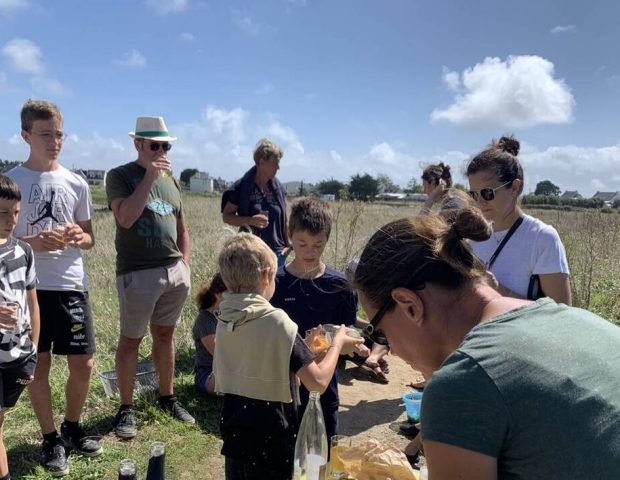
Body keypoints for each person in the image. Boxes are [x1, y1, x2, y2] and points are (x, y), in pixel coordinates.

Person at [352, 209, 620, 479]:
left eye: (382, 335)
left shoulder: (463, 384)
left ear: (409, 305)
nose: (393, 351)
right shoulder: (583, 321)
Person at [214, 233, 363, 479]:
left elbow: (262, 365)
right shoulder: (277, 321)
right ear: (265, 276)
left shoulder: (225, 318)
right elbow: (318, 383)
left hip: (236, 437)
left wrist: (307, 351)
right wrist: (337, 344)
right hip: (273, 443)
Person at [10, 99, 100, 476]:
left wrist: (79, 236)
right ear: (25, 135)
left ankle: (72, 426)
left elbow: (91, 238)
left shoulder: (76, 182)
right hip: (28, 287)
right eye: (45, 134)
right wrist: (31, 241)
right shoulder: (12, 181)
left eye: (59, 134)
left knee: (85, 362)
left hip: (70, 285)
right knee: (39, 365)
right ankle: (50, 439)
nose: (54, 141)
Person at [106, 116, 194, 440]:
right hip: (137, 272)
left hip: (173, 272)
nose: (160, 150)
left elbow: (182, 227)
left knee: (166, 336)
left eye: (165, 145)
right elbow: (126, 218)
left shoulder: (172, 181)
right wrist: (149, 177)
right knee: (131, 340)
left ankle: (167, 396)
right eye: (154, 145)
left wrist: (184, 264)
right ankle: (126, 408)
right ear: (138, 144)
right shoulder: (120, 176)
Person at [270, 198, 366, 442]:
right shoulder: (275, 284)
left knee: (322, 457)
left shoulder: (339, 285)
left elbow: (349, 331)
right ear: (290, 236)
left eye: (318, 245)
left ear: (327, 239)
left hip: (324, 392)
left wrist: (350, 344)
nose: (310, 252)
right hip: (282, 391)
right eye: (301, 244)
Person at [466, 136, 571, 304]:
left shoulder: (542, 238)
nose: (480, 202)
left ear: (515, 187)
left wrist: (497, 290)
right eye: (473, 195)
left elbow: (561, 311)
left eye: (487, 193)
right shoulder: (473, 238)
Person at [0, 175, 40, 480]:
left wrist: (34, 349)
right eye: (3, 213)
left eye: (15, 213)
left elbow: (32, 302)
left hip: (17, 356)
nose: (11, 220)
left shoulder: (23, 252)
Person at [221, 138, 289, 267]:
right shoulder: (241, 187)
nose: (278, 167)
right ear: (262, 162)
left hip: (278, 253)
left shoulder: (278, 188)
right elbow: (227, 217)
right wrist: (250, 220)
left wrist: (289, 244)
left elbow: (284, 219)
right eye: (275, 163)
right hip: (251, 252)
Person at [193, 272, 226, 395]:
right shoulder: (205, 319)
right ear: (218, 293)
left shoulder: (234, 314)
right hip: (208, 374)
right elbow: (219, 354)